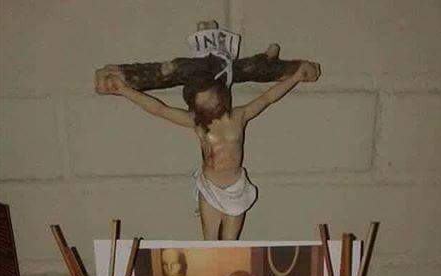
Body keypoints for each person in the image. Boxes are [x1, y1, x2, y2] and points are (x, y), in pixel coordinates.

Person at [96, 57, 320, 240]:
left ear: (220, 95)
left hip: (235, 187)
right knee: (209, 243)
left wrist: (296, 77)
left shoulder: (238, 116)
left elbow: (268, 98)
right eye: (202, 102)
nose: (208, 104)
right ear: (195, 104)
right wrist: (124, 90)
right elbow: (159, 109)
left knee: (230, 244)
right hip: (210, 187)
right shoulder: (198, 123)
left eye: (211, 98)